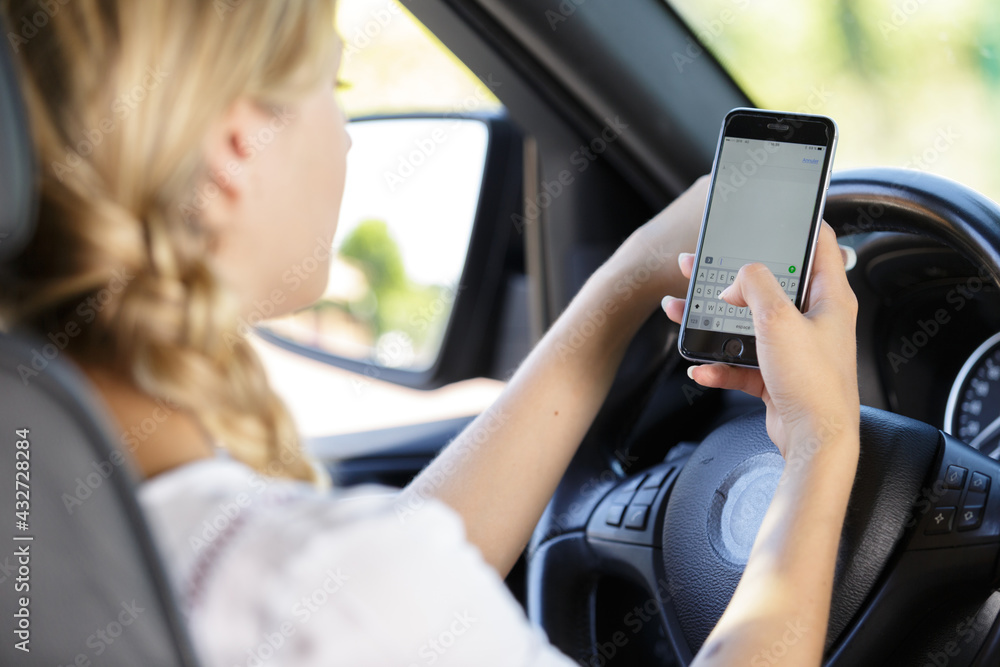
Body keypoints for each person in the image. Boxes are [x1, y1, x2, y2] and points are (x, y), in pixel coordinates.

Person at [0, 0, 859, 665]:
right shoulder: (318, 586)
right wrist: (820, 442)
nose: (342, 136)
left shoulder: (60, 512)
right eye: (331, 90)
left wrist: (625, 280)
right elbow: (361, 594)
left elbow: (364, 591)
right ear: (236, 145)